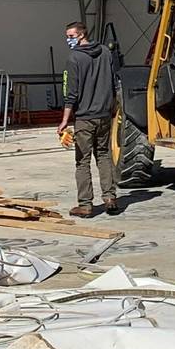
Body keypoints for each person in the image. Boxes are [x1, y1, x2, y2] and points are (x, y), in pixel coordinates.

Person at [57, 21, 121, 217]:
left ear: (81, 35)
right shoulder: (105, 53)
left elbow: (71, 93)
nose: (68, 40)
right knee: (103, 155)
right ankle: (110, 198)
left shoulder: (74, 59)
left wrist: (64, 120)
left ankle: (85, 204)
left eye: (71, 36)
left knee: (82, 161)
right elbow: (113, 82)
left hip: (85, 117)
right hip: (104, 115)